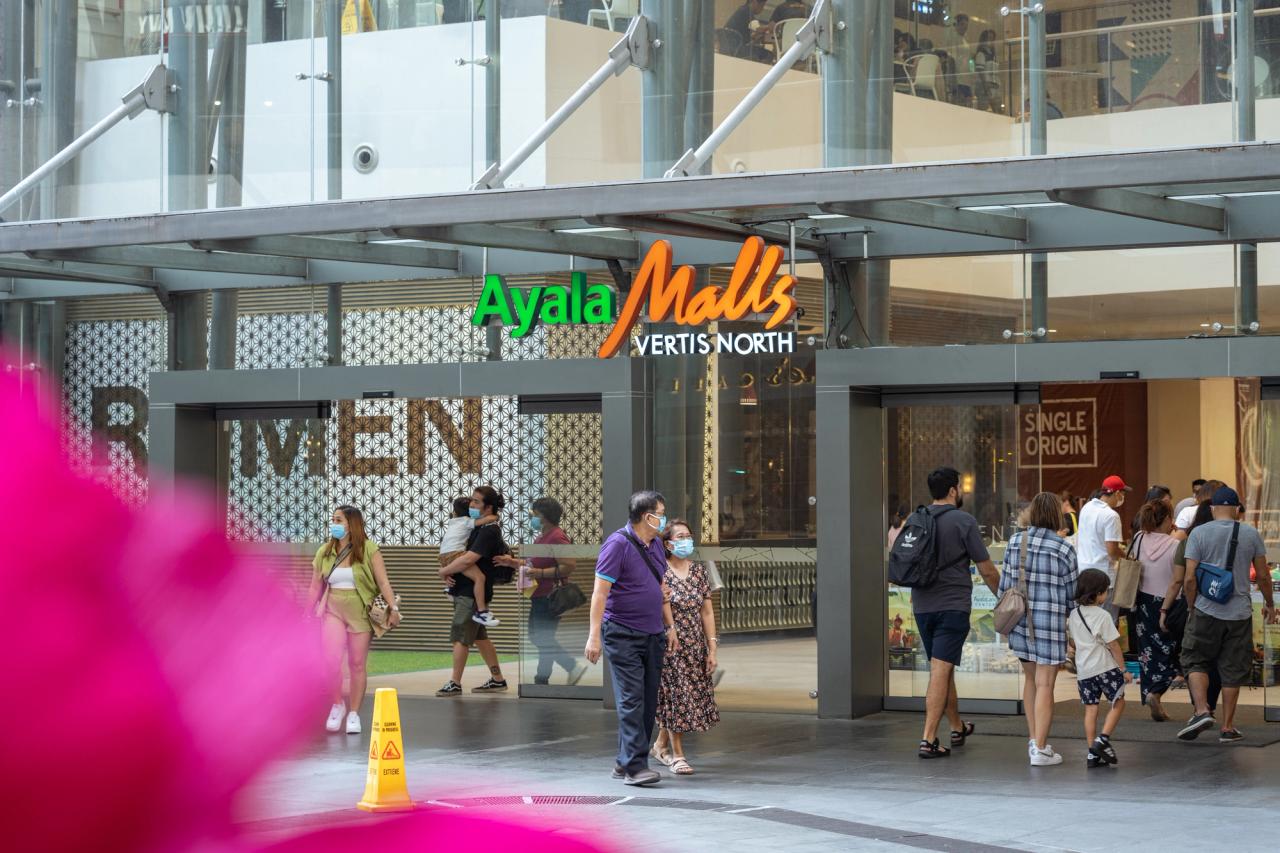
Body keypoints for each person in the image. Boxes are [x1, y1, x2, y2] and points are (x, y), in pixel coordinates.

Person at [585, 490, 673, 786]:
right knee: (631, 699)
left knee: (647, 701)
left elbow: (659, 584)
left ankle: (625, 762)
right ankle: (636, 767)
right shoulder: (617, 545)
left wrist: (668, 624)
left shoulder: (656, 545)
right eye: (661, 513)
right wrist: (594, 636)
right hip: (622, 632)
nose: (663, 519)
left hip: (653, 633)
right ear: (647, 517)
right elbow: (600, 593)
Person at [1176, 486, 1277, 743]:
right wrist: (1269, 603)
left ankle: (1201, 711)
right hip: (1239, 613)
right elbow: (1263, 575)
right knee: (1233, 668)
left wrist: (1192, 606)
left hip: (1205, 609)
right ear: (1237, 509)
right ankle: (1228, 727)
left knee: (1195, 659)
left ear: (1212, 509)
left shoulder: (1198, 533)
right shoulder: (1250, 533)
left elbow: (1189, 579)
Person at [914, 467, 1000, 759]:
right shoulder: (964, 521)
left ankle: (957, 726)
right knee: (940, 670)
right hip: (951, 606)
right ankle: (928, 739)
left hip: (922, 606)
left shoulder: (917, 518)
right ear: (952, 490)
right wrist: (1005, 598)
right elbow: (987, 569)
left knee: (944, 666)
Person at [999, 492, 1078, 766]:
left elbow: (1004, 586)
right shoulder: (1064, 548)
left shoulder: (1015, 541)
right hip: (1050, 623)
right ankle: (1041, 750)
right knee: (1046, 683)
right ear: (1056, 515)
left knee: (1031, 681)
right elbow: (1073, 595)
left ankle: (1034, 740)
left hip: (1020, 621)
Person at [309, 505, 401, 734]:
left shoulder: (369, 549)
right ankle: (337, 704)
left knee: (357, 663)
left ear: (351, 524)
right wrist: (305, 612)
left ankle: (353, 713)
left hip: (360, 609)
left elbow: (383, 582)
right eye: (333, 519)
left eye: (338, 520)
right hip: (333, 608)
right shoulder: (324, 551)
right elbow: (314, 586)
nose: (334, 524)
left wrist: (394, 608)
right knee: (331, 661)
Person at [651, 520, 719, 776]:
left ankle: (660, 746)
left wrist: (712, 647)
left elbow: (707, 611)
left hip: (695, 644)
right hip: (670, 642)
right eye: (680, 536)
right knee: (676, 695)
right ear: (668, 543)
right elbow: (661, 604)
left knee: (688, 695)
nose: (686, 541)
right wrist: (671, 629)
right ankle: (678, 755)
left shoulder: (699, 571)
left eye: (688, 536)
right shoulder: (660, 570)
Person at [501, 497, 588, 686]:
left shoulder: (557, 537)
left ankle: (566, 668)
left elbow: (568, 566)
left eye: (535, 514)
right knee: (542, 638)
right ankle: (543, 679)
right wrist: (512, 562)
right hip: (539, 595)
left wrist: (540, 573)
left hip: (549, 596)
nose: (532, 518)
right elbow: (533, 563)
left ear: (546, 516)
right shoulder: (542, 537)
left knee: (542, 638)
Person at [436, 486, 512, 696]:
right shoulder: (475, 527)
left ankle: (455, 682)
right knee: (480, 638)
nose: (472, 504)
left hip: (470, 594)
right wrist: (450, 571)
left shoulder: (489, 530)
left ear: (488, 508)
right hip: (465, 590)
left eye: (477, 502)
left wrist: (443, 571)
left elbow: (469, 559)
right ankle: (497, 679)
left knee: (461, 636)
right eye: (472, 500)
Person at [1068, 569, 1132, 768]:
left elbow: (1073, 642)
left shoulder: (1074, 614)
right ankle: (1102, 739)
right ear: (1097, 593)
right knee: (1118, 701)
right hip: (1105, 667)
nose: (1106, 595)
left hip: (1084, 671)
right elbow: (1114, 645)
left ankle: (1092, 754)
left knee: (1091, 709)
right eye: (1105, 591)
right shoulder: (1103, 616)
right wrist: (1123, 670)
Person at [1163, 499, 1221, 711]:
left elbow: (1180, 580)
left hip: (1196, 606)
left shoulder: (1187, 542)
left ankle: (1199, 706)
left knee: (1195, 659)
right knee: (1217, 659)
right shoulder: (1226, 541)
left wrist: (1166, 609)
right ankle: (1211, 706)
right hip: (1224, 606)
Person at [1131, 499, 1180, 720]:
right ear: (1168, 519)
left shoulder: (1139, 538)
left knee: (1147, 652)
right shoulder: (1175, 545)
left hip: (1143, 602)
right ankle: (1157, 692)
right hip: (1168, 603)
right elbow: (1177, 579)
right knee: (1171, 650)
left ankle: (1151, 691)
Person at [1076, 475, 1129, 616]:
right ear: (1117, 493)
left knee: (1087, 619)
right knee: (1106, 621)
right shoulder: (1111, 515)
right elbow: (1112, 551)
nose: (1123, 498)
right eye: (1123, 493)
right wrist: (1127, 557)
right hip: (1103, 577)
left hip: (1083, 573)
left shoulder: (1086, 508)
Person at [438, 495, 497, 600]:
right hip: (455, 553)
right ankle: (481, 608)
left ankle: (449, 588)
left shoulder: (453, 522)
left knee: (453, 573)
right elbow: (487, 520)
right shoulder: (466, 521)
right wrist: (495, 516)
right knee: (479, 578)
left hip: (443, 555)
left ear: (455, 512)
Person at [973, 29, 1001, 112]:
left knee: (996, 111)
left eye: (993, 39)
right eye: (989, 38)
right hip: (985, 88)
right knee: (983, 111)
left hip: (993, 87)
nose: (991, 41)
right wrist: (986, 87)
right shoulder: (981, 54)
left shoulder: (993, 56)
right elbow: (980, 71)